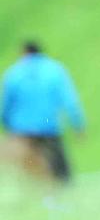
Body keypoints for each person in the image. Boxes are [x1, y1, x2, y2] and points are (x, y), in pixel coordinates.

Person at [1, 41, 85, 182]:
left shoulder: (13, 73)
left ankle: (41, 199)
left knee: (32, 175)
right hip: (49, 130)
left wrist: (8, 126)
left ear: (24, 53)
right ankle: (61, 200)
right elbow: (69, 100)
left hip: (23, 133)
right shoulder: (55, 70)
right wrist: (78, 124)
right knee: (60, 174)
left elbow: (6, 105)